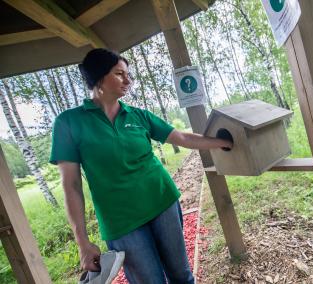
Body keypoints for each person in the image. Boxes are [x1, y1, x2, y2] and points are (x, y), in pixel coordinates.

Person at [49, 48, 232, 284]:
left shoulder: (137, 115)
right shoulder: (69, 123)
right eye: (119, 74)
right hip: (121, 221)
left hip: (162, 201)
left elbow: (183, 138)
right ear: (98, 77)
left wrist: (223, 142)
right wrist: (82, 241)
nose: (128, 80)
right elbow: (71, 186)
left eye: (128, 74)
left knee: (181, 276)